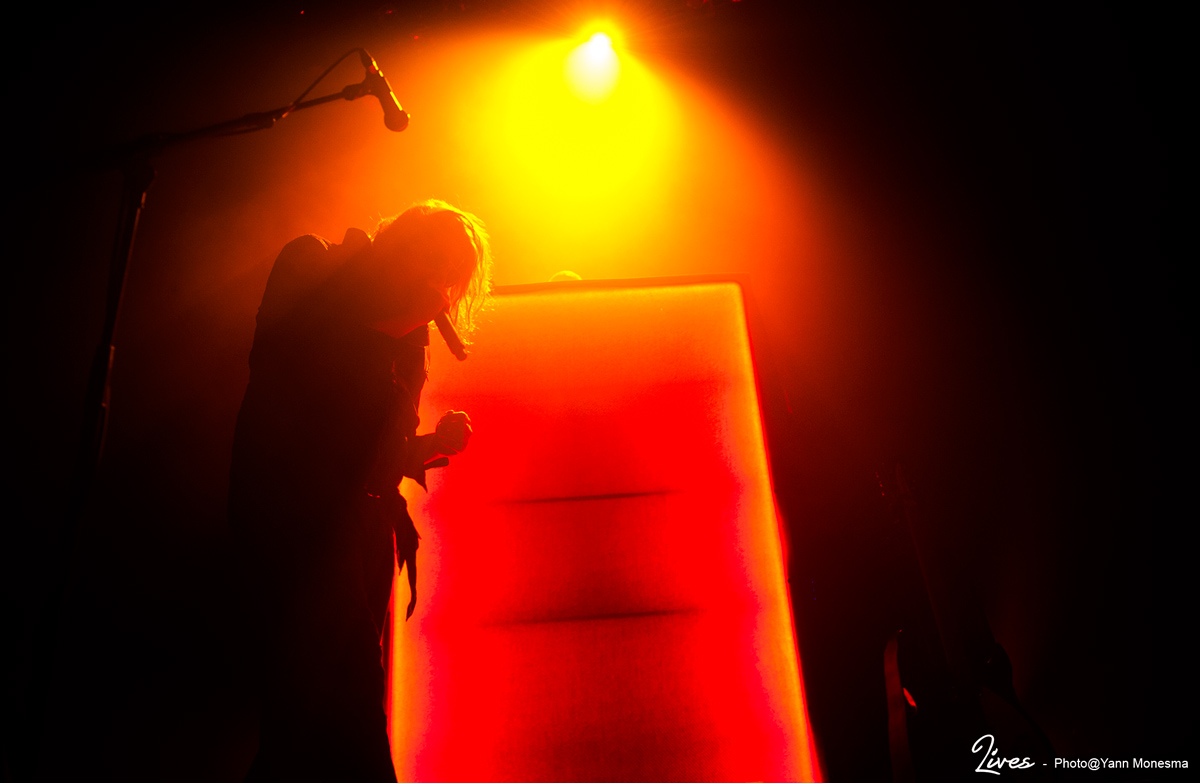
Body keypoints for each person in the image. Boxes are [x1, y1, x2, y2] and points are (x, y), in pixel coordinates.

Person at [229, 200, 492, 782]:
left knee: (303, 728)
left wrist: (432, 442)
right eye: (436, 263)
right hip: (296, 527)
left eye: (451, 277)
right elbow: (285, 372)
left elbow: (374, 454)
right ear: (403, 242)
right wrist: (391, 330)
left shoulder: (409, 333)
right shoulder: (312, 264)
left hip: (361, 536)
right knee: (349, 710)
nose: (440, 285)